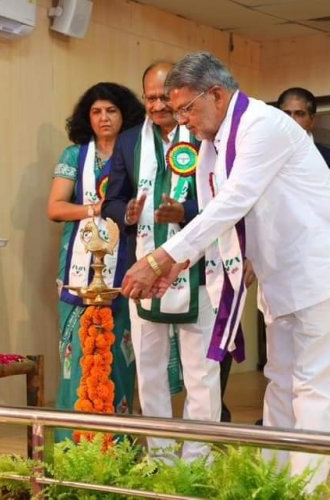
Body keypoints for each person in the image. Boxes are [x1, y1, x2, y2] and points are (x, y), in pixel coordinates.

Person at [119, 52, 330, 488]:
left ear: (216, 94)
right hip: (279, 277)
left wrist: (160, 258)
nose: (181, 122)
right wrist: (175, 265)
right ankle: (270, 484)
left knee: (315, 392)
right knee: (279, 383)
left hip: (322, 273)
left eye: (185, 109)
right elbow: (221, 222)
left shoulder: (263, 126)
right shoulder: (210, 145)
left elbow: (230, 202)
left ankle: (301, 492)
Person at [103, 62, 227, 461]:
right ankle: (160, 456)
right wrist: (128, 214)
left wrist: (185, 212)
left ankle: (197, 460)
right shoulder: (127, 142)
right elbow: (113, 198)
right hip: (143, 265)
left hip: (197, 270)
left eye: (163, 97)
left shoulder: (204, 135)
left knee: (200, 374)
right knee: (149, 370)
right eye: (150, 98)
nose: (157, 106)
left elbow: (222, 199)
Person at [47, 82, 144, 443]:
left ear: (125, 115)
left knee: (121, 350)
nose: (104, 118)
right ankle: (74, 446)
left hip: (125, 266)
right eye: (96, 111)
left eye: (111, 111)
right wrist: (98, 209)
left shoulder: (137, 152)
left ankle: (116, 445)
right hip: (77, 267)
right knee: (76, 351)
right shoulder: (75, 155)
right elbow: (55, 208)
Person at [277, 87, 330, 166]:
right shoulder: (267, 153)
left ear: (312, 120)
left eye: (299, 114)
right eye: (286, 113)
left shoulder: (328, 157)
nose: (291, 119)